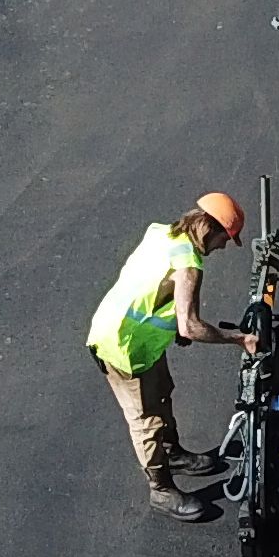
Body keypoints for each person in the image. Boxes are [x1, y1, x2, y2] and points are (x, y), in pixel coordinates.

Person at [86, 192, 259, 520]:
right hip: (123, 347)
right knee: (146, 420)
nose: (222, 248)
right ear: (210, 229)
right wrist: (239, 339)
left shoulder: (163, 233)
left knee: (162, 394)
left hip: (141, 341)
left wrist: (176, 329)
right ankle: (161, 491)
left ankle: (173, 454)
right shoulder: (189, 265)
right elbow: (191, 326)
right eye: (225, 239)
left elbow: (155, 288)